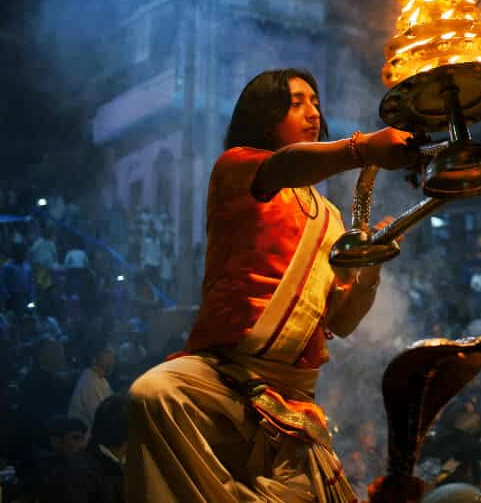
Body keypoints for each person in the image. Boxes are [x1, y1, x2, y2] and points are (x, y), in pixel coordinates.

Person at [125, 68, 416, 502]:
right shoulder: (238, 167)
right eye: (296, 102)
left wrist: (372, 267)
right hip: (222, 376)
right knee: (155, 393)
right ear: (265, 117)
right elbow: (285, 165)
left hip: (292, 402)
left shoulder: (332, 217)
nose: (312, 111)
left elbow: (343, 320)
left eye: (315, 101)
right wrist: (361, 147)